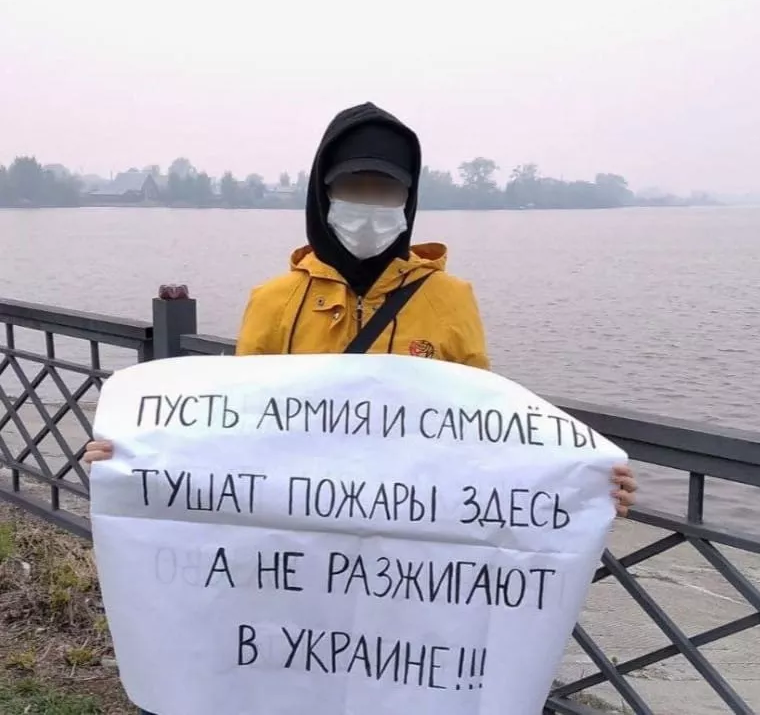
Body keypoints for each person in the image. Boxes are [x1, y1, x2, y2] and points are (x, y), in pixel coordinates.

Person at [84, 102, 636, 713]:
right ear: (323, 192)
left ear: (409, 198)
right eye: (354, 186)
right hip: (293, 552)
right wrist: (135, 457)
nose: (370, 204)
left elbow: (486, 439)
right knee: (292, 676)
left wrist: (582, 484)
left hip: (404, 559)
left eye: (386, 189)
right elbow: (230, 434)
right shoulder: (273, 301)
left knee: (386, 682)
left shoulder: (451, 300)